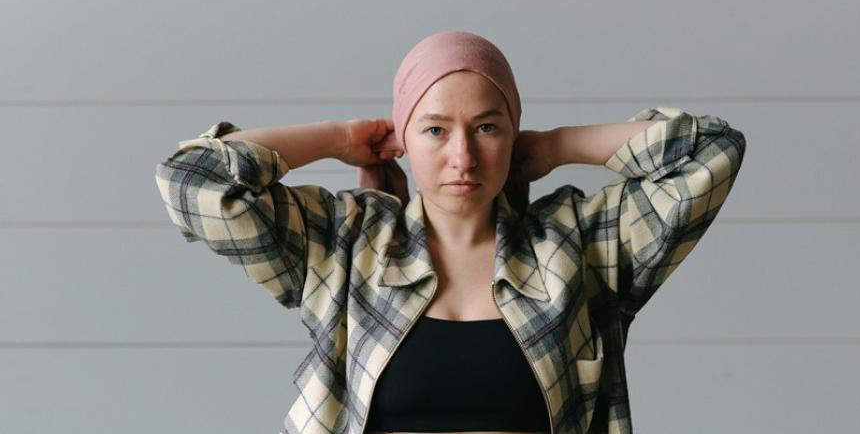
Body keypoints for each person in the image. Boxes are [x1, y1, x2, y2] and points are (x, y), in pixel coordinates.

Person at [154, 30, 746, 434]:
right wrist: (338, 137)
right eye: (435, 130)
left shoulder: (582, 246)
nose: (462, 155)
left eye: (487, 127)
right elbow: (194, 179)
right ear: (405, 139)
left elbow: (707, 154)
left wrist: (552, 146)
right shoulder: (346, 245)